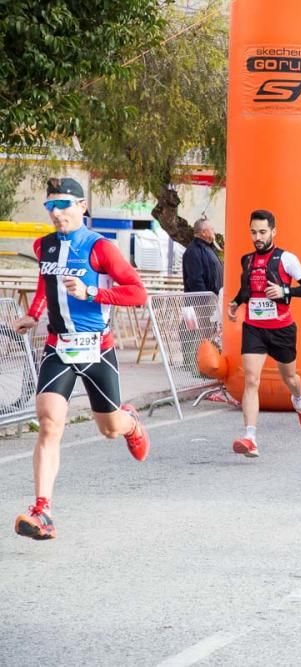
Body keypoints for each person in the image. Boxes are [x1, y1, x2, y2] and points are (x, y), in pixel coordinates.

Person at [11, 177, 149, 540]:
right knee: (49, 422)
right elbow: (45, 286)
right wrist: (34, 314)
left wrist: (92, 292)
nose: (57, 214)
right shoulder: (45, 247)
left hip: (96, 347)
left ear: (82, 206)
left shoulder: (100, 247)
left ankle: (131, 424)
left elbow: (137, 293)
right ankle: (43, 510)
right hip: (59, 346)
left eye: (64, 205)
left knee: (109, 428)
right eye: (51, 207)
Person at [227, 209, 301, 457]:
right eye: (253, 232)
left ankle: (299, 401)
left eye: (263, 232)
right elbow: (247, 290)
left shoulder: (286, 259)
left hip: (281, 330)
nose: (258, 237)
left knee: (290, 378)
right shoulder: (247, 260)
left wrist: (285, 292)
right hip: (254, 328)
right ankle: (250, 437)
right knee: (251, 380)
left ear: (273, 231)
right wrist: (235, 303)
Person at [180, 217, 224, 370]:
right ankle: (194, 365)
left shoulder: (208, 248)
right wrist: (205, 299)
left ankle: (200, 364)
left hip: (210, 300)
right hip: (199, 302)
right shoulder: (193, 252)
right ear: (204, 233)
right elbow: (195, 278)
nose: (214, 232)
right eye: (211, 229)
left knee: (203, 334)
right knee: (194, 333)